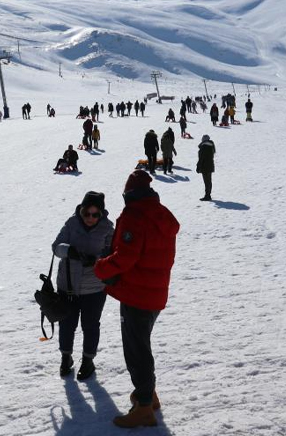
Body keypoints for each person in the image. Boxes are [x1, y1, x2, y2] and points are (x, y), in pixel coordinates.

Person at [94, 170, 179, 428]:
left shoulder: (135, 215)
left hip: (137, 294)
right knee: (142, 344)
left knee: (136, 350)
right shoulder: (161, 214)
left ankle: (143, 406)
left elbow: (126, 257)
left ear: (129, 193)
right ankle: (148, 395)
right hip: (155, 292)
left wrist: (101, 268)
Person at [52, 191, 113, 380]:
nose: (90, 218)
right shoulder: (72, 223)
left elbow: (112, 256)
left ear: (101, 214)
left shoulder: (108, 229)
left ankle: (88, 361)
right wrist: (69, 251)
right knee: (66, 324)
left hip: (94, 288)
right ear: (81, 211)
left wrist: (95, 260)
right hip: (67, 285)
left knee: (90, 326)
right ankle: (66, 358)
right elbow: (56, 247)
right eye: (87, 213)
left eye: (95, 214)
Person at [196, 135, 216, 201]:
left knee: (206, 182)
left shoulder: (204, 147)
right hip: (210, 165)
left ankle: (207, 196)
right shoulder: (211, 146)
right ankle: (208, 195)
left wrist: (198, 166)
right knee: (209, 181)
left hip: (205, 166)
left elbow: (201, 158)